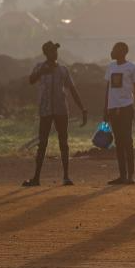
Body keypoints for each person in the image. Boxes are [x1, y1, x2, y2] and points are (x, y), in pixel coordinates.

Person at [23, 41, 87, 187]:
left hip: (61, 110)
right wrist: (41, 72)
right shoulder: (39, 67)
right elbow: (31, 80)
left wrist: (82, 108)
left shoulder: (63, 70)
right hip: (45, 110)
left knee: (63, 142)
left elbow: (72, 89)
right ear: (46, 53)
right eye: (52, 51)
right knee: (42, 143)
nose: (55, 53)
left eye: (56, 51)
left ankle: (66, 176)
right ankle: (36, 178)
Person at [103, 42, 135, 185]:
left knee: (127, 141)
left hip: (126, 107)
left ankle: (130, 175)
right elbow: (108, 88)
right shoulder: (110, 66)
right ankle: (122, 175)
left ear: (123, 51)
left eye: (114, 49)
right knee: (118, 142)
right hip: (113, 108)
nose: (112, 51)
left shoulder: (132, 67)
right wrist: (105, 108)